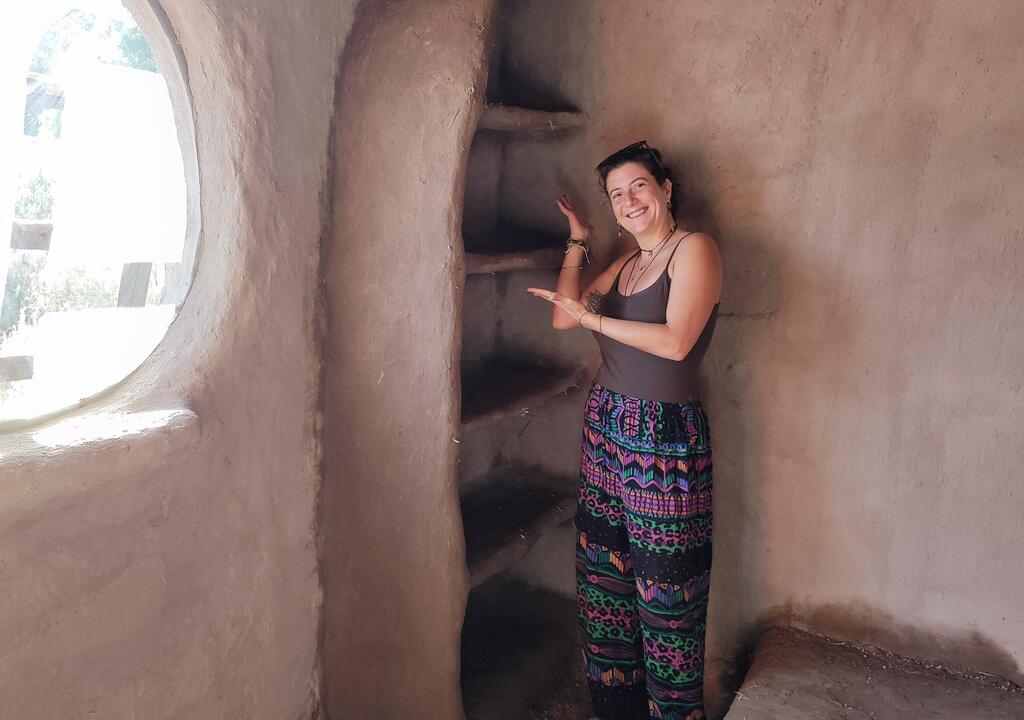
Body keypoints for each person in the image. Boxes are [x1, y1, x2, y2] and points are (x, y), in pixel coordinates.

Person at [526, 140, 722, 720]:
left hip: (665, 438)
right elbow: (563, 316)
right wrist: (579, 240)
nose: (629, 200)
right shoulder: (625, 263)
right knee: (604, 585)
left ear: (666, 189)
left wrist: (593, 317)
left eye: (639, 185)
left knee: (667, 596)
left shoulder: (694, 249)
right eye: (616, 194)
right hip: (606, 426)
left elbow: (676, 342)